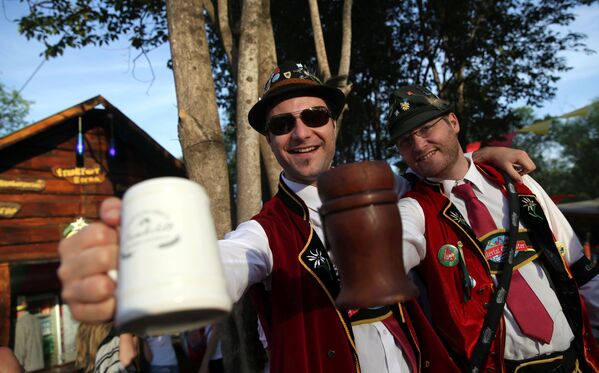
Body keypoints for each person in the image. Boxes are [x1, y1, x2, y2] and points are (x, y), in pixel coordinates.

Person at [57, 61, 535, 373]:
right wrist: (137, 271)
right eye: (282, 124)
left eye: (315, 115)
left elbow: (445, 174)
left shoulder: (391, 187)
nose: (301, 132)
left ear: (334, 123)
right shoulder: (264, 232)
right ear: (269, 140)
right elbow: (224, 263)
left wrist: (484, 155)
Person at [387, 85, 599, 372]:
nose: (418, 145)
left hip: (573, 361)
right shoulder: (413, 207)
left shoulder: (515, 182)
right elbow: (387, 254)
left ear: (453, 122)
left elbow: (580, 269)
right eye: (405, 141)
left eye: (425, 129)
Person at [13, 296, 44, 372]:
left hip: (28, 369)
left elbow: (19, 352)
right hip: (41, 366)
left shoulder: (20, 324)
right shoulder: (36, 320)